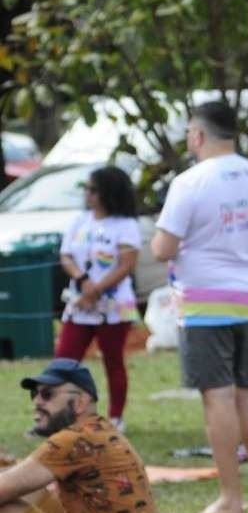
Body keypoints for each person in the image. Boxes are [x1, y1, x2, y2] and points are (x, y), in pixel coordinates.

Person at [151, 100, 248, 513]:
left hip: (205, 300)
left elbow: (162, 248)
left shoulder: (190, 182)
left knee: (218, 396)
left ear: (198, 135)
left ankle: (229, 498)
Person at [0, 359, 159, 513]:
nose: (37, 402)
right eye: (35, 394)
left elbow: (4, 487)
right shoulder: (98, 430)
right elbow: (17, 478)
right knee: (27, 491)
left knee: (4, 507)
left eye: (47, 394)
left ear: (80, 402)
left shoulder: (72, 440)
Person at [55, 166, 143, 432]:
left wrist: (96, 290)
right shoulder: (80, 220)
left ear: (108, 193)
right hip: (80, 304)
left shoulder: (126, 225)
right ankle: (58, 417)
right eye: (87, 188)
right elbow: (66, 256)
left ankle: (115, 418)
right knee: (63, 361)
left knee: (113, 360)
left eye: (93, 189)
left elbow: (126, 265)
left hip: (113, 306)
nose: (88, 194)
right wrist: (83, 281)